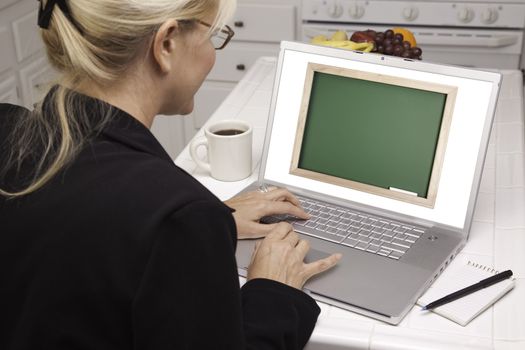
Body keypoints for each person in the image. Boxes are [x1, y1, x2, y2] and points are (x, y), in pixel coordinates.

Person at [0, 0, 341, 349]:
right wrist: (274, 290)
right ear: (166, 44)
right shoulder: (178, 215)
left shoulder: (8, 129)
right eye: (213, 37)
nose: (212, 54)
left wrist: (194, 227)